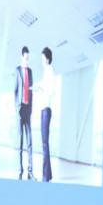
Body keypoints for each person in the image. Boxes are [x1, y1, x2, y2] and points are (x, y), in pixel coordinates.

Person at [14, 45, 34, 180]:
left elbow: (31, 90)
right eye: (25, 58)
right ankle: (20, 169)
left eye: (28, 59)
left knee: (30, 141)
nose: (27, 61)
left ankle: (30, 170)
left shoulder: (30, 71)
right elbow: (15, 90)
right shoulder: (17, 70)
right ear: (22, 57)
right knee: (20, 141)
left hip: (28, 109)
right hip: (20, 109)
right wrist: (16, 108)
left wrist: (31, 107)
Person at [39, 47, 57, 183]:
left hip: (46, 109)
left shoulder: (50, 71)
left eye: (42, 58)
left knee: (45, 143)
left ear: (47, 58)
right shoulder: (46, 72)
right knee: (44, 143)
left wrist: (41, 87)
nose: (41, 60)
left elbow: (50, 90)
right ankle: (48, 175)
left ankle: (46, 176)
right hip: (43, 108)